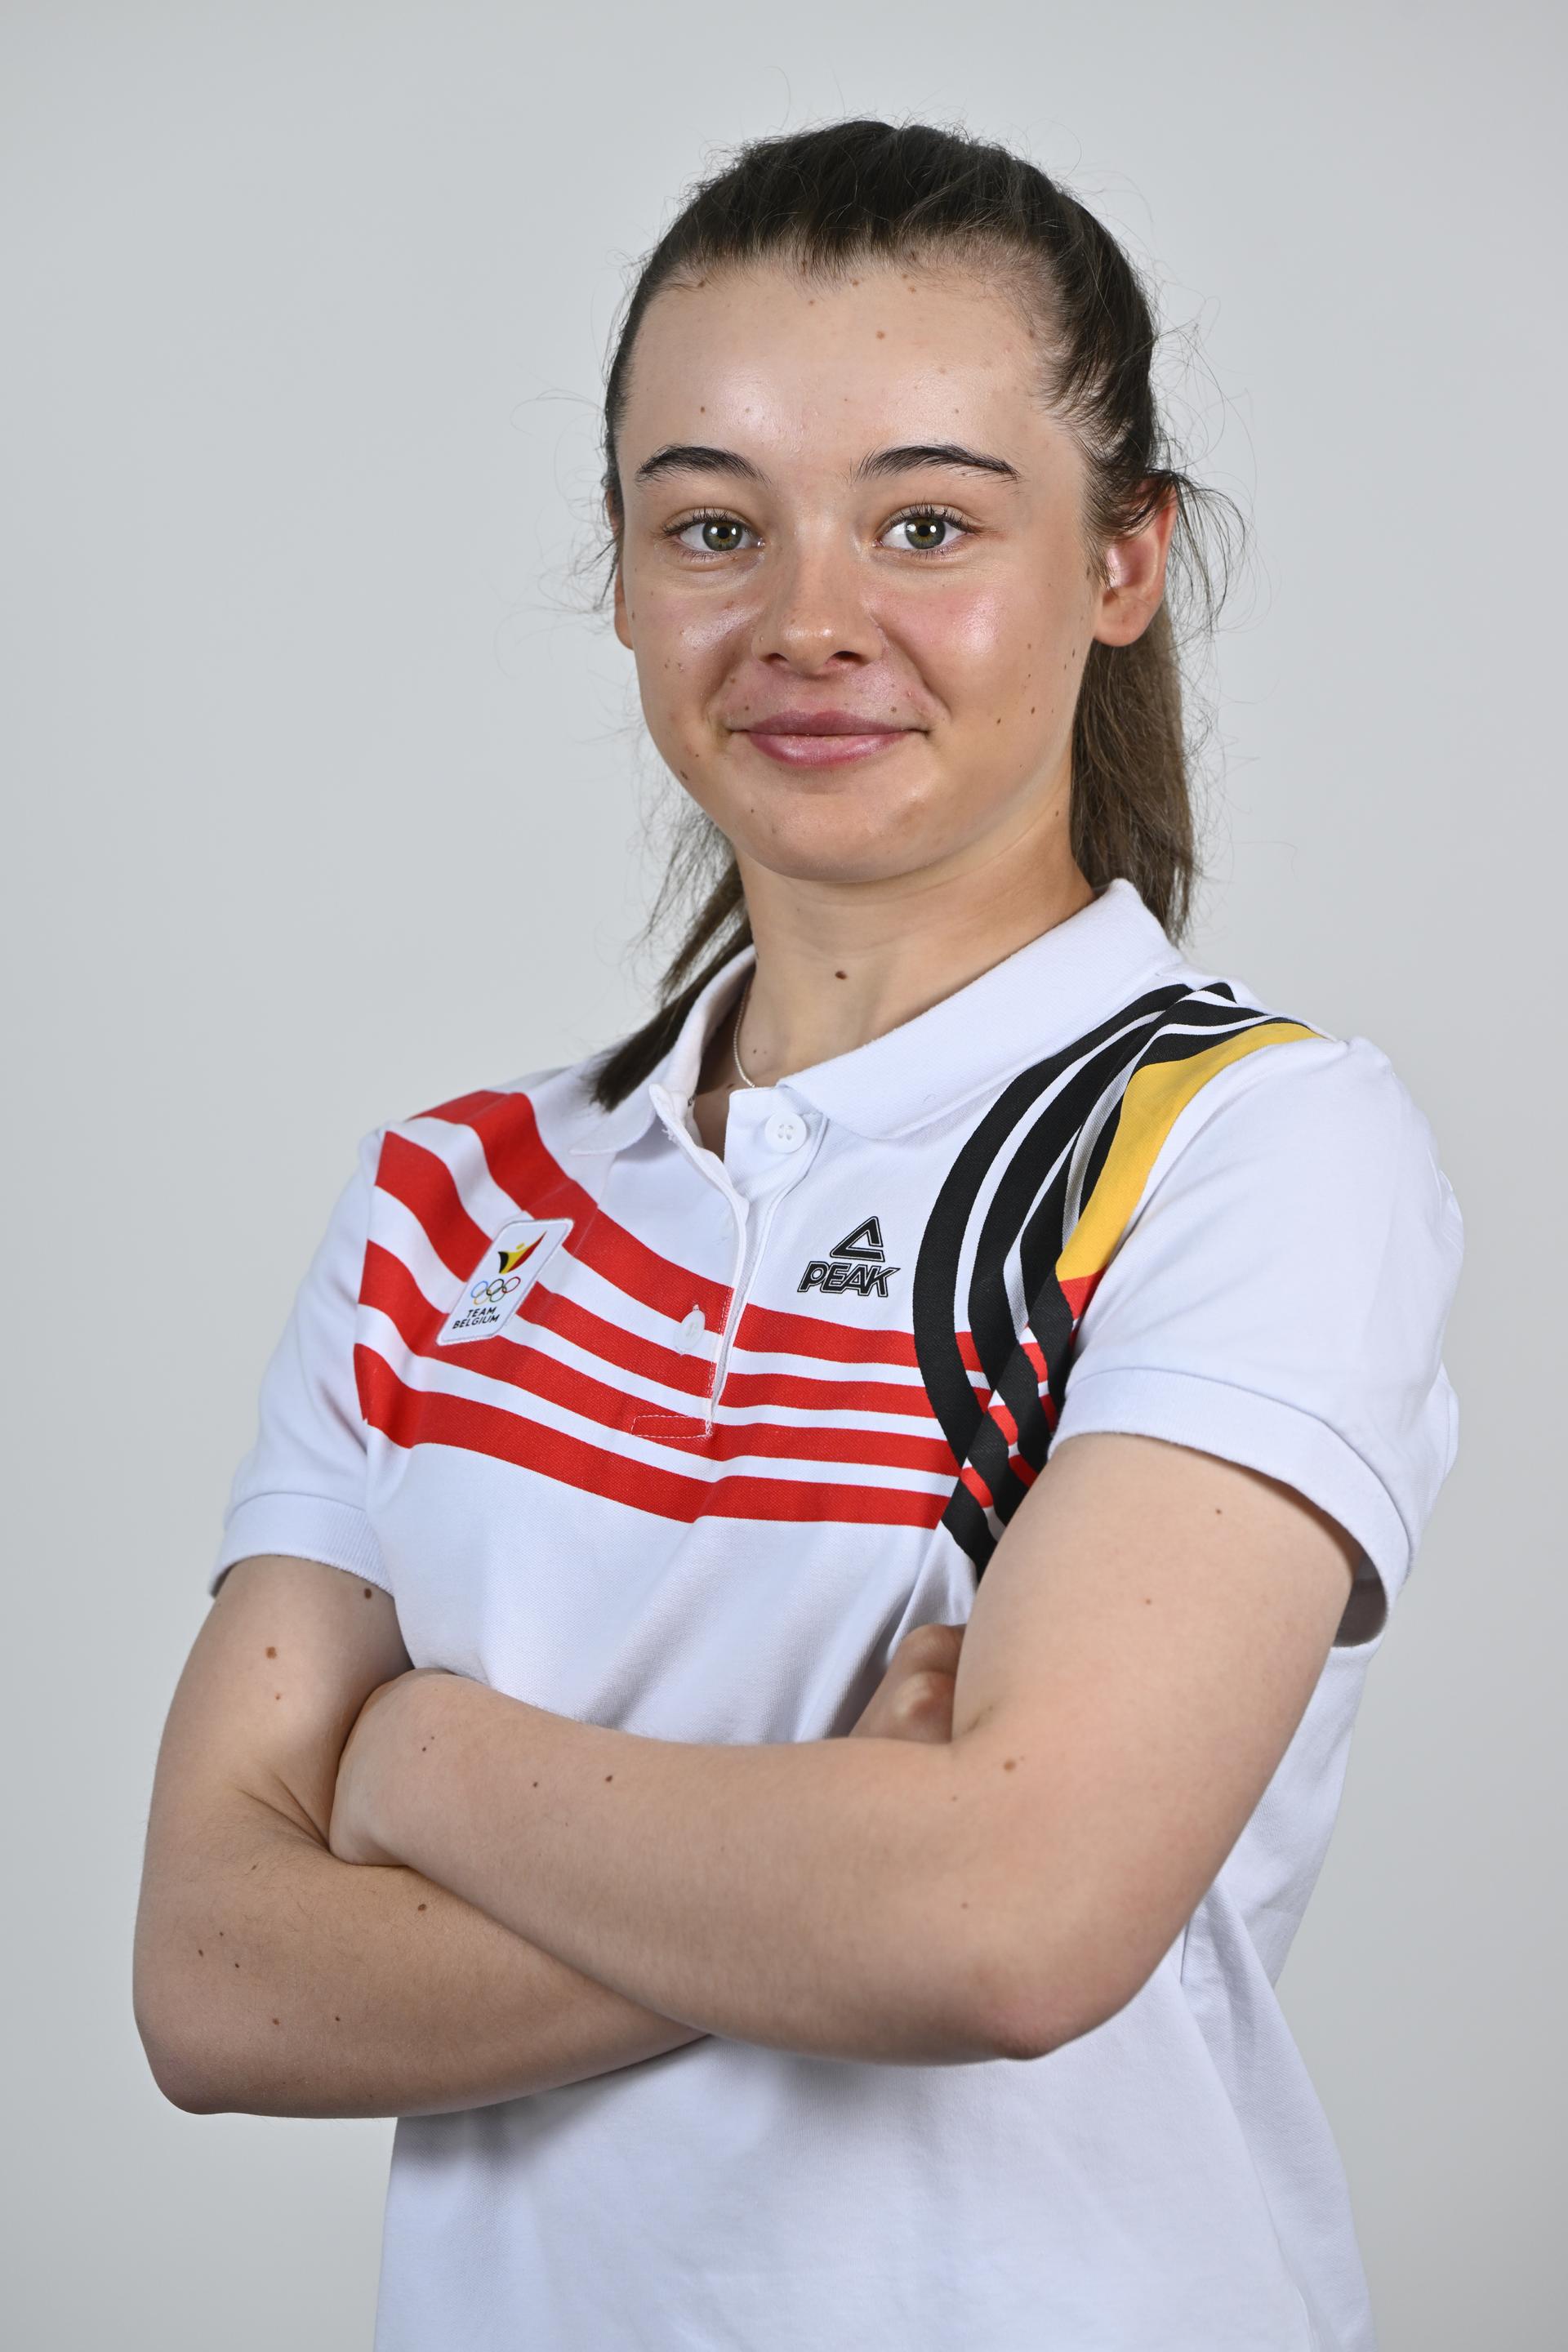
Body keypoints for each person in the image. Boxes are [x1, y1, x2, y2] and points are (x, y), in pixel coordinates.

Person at [133, 119, 1463, 2352]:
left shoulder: (1242, 1143)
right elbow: (214, 1980)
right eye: (715, 527)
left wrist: (417, 1767)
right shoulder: (452, 1195)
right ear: (628, 570)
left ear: (1123, 560)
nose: (807, 623)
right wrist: (833, 1854)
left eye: (927, 521)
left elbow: (1005, 1932)